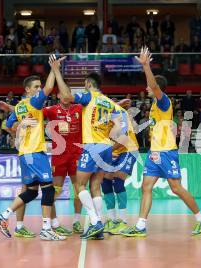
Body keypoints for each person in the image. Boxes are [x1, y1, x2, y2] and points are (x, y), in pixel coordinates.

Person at [121, 47, 201, 237]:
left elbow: (153, 86)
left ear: (157, 88)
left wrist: (146, 66)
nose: (146, 89)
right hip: (154, 153)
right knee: (146, 187)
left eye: (150, 87)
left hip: (167, 151)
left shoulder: (164, 101)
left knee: (176, 188)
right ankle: (141, 226)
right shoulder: (153, 106)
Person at [0, 56, 67, 241]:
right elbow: (50, 89)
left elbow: (8, 126)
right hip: (34, 152)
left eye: (39, 87)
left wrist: (18, 125)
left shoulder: (19, 107)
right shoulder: (33, 102)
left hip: (25, 154)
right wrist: (54, 68)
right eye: (36, 87)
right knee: (48, 190)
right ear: (27, 90)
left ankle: (3, 215)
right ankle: (46, 229)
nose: (40, 89)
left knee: (32, 191)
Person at [54, 65, 127, 240]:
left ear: (88, 84)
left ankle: (95, 222)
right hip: (106, 147)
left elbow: (66, 96)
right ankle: (98, 225)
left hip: (92, 146)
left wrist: (57, 71)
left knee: (79, 186)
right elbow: (120, 127)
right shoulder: (109, 103)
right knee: (95, 187)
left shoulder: (88, 96)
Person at [0, 92, 84, 237]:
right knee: (48, 190)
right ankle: (49, 225)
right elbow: (27, 110)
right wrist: (11, 109)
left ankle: (73, 221)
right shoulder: (50, 109)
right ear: (58, 97)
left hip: (74, 154)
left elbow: (94, 109)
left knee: (74, 190)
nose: (65, 95)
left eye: (67, 93)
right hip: (52, 155)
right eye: (61, 93)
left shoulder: (79, 108)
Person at [102, 103, 139, 235]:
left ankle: (123, 221)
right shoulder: (100, 120)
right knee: (105, 181)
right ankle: (112, 220)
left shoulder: (119, 115)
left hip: (129, 149)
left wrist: (107, 150)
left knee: (118, 180)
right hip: (113, 151)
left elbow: (124, 138)